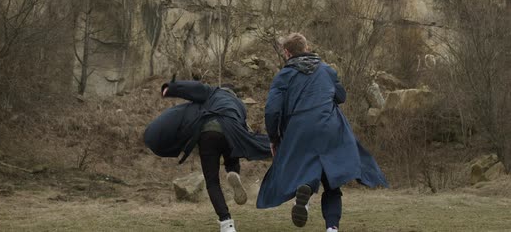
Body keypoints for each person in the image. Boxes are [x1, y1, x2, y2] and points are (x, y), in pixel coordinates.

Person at [256, 33, 388, 232]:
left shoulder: (283, 76)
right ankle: (332, 228)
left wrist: (274, 139)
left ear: (286, 52)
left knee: (303, 170)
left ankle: (306, 189)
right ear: (307, 48)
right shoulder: (326, 70)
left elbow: (272, 110)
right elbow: (341, 96)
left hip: (299, 130)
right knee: (332, 183)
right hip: (329, 127)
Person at [144, 79, 271, 232]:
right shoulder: (239, 105)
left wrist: (170, 89)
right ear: (234, 94)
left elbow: (192, 88)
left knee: (212, 182)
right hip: (232, 131)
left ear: (221, 89)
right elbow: (243, 129)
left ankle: (227, 223)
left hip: (208, 133)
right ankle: (233, 172)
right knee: (232, 153)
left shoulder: (213, 92)